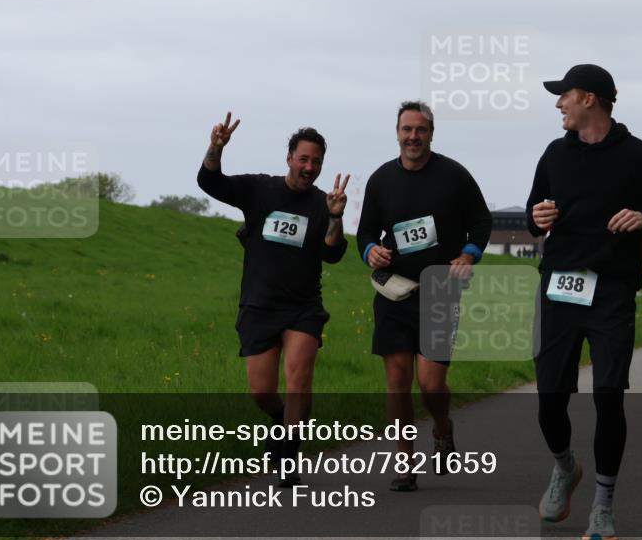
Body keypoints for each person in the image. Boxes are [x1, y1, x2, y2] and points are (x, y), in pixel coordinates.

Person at [527, 65, 642, 540]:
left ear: (589, 98)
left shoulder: (640, 157)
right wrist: (537, 216)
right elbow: (534, 211)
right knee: (549, 400)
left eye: (564, 96)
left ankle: (602, 507)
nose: (558, 104)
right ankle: (565, 468)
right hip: (559, 289)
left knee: (607, 396)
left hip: (612, 293)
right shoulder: (554, 155)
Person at [197, 113, 349, 486]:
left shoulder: (321, 204)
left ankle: (287, 454)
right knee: (262, 391)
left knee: (298, 378)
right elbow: (209, 181)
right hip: (259, 305)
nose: (310, 167)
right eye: (304, 158)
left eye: (316, 161)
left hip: (303, 306)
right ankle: (282, 426)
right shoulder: (260, 190)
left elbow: (332, 253)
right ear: (289, 158)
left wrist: (334, 217)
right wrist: (216, 148)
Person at [357, 100, 492, 492]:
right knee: (397, 380)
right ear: (397, 132)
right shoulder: (381, 179)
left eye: (421, 130)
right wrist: (370, 251)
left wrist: (469, 254)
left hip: (440, 291)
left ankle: (442, 428)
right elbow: (366, 232)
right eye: (406, 129)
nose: (413, 136)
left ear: (431, 133)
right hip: (395, 291)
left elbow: (482, 221)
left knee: (431, 384)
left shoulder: (453, 176)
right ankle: (404, 460)